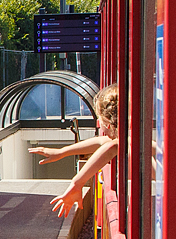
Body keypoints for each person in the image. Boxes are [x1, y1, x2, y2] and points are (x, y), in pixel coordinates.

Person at [30, 83, 118, 217]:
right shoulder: (130, 139)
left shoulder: (124, 142)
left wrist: (77, 183)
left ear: (108, 123)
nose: (101, 129)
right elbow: (103, 142)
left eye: (100, 122)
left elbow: (111, 147)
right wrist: (62, 152)